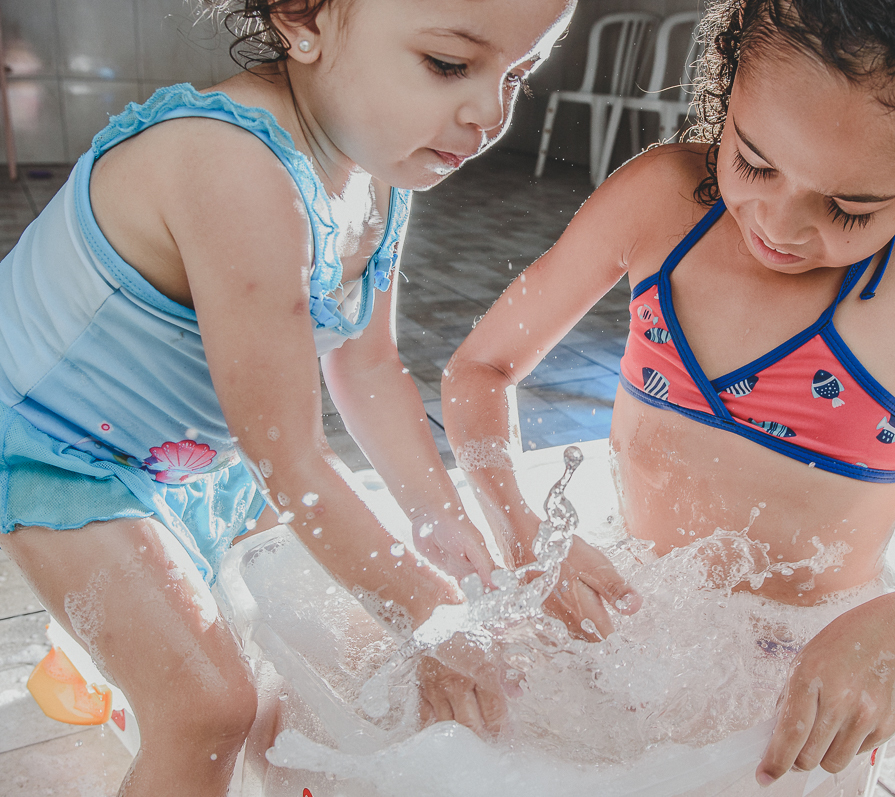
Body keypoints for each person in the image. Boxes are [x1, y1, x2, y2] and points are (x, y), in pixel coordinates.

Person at [441, 0, 895, 787]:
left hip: (794, 704)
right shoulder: (661, 200)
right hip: (627, 636)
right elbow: (480, 371)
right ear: (730, 79)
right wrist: (526, 531)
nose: (779, 224)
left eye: (850, 207)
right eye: (754, 161)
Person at [0, 1, 642, 794]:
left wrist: (443, 522)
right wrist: (432, 610)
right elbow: (294, 462)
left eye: (517, 74)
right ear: (301, 17)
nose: (488, 114)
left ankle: (147, 668)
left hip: (195, 447)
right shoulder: (231, 167)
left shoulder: (374, 173)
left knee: (313, 652)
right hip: (59, 447)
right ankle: (122, 662)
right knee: (209, 707)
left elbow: (367, 369)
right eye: (449, 65)